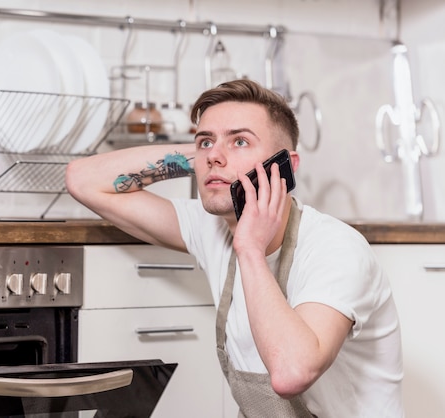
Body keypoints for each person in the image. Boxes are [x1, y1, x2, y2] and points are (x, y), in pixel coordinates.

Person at [65, 79, 403, 417]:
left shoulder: (335, 248)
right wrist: (208, 152)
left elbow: (291, 373)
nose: (215, 156)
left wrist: (250, 250)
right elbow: (82, 180)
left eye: (241, 141)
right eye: (206, 141)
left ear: (287, 166)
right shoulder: (211, 225)